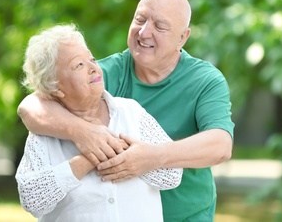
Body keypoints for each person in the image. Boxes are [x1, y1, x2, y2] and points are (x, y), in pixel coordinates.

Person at [18, 0, 234, 221]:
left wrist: (152, 157)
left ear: (182, 37)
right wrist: (84, 133)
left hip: (187, 215)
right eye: (140, 20)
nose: (144, 32)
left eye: (160, 26)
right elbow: (31, 105)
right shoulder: (106, 73)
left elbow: (220, 146)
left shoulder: (204, 80)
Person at [15, 24, 182, 222]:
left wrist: (133, 157)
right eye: (79, 65)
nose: (93, 68)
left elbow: (173, 175)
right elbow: (32, 200)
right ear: (55, 86)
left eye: (92, 59)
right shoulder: (43, 133)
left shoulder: (131, 112)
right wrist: (86, 159)